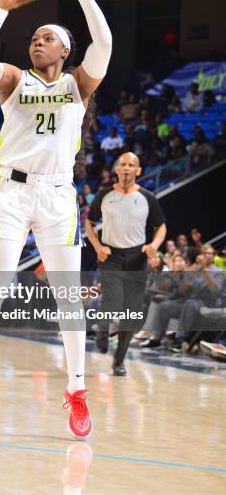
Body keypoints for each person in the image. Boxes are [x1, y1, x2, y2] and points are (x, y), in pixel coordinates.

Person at [0, 0, 112, 439]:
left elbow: (104, 46)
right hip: (13, 193)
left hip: (59, 196)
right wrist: (1, 7)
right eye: (34, 37)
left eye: (46, 37)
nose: (36, 42)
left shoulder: (77, 85)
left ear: (65, 50)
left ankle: (78, 391)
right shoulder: (16, 80)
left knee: (68, 298)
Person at [86, 152, 166, 376]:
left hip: (137, 257)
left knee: (131, 312)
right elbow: (89, 224)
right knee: (112, 299)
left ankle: (119, 361)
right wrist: (97, 247)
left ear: (138, 171)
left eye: (131, 165)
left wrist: (154, 246)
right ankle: (102, 329)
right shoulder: (104, 195)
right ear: (116, 169)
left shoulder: (148, 198)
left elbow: (161, 226)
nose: (127, 168)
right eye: (123, 164)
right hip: (110, 255)